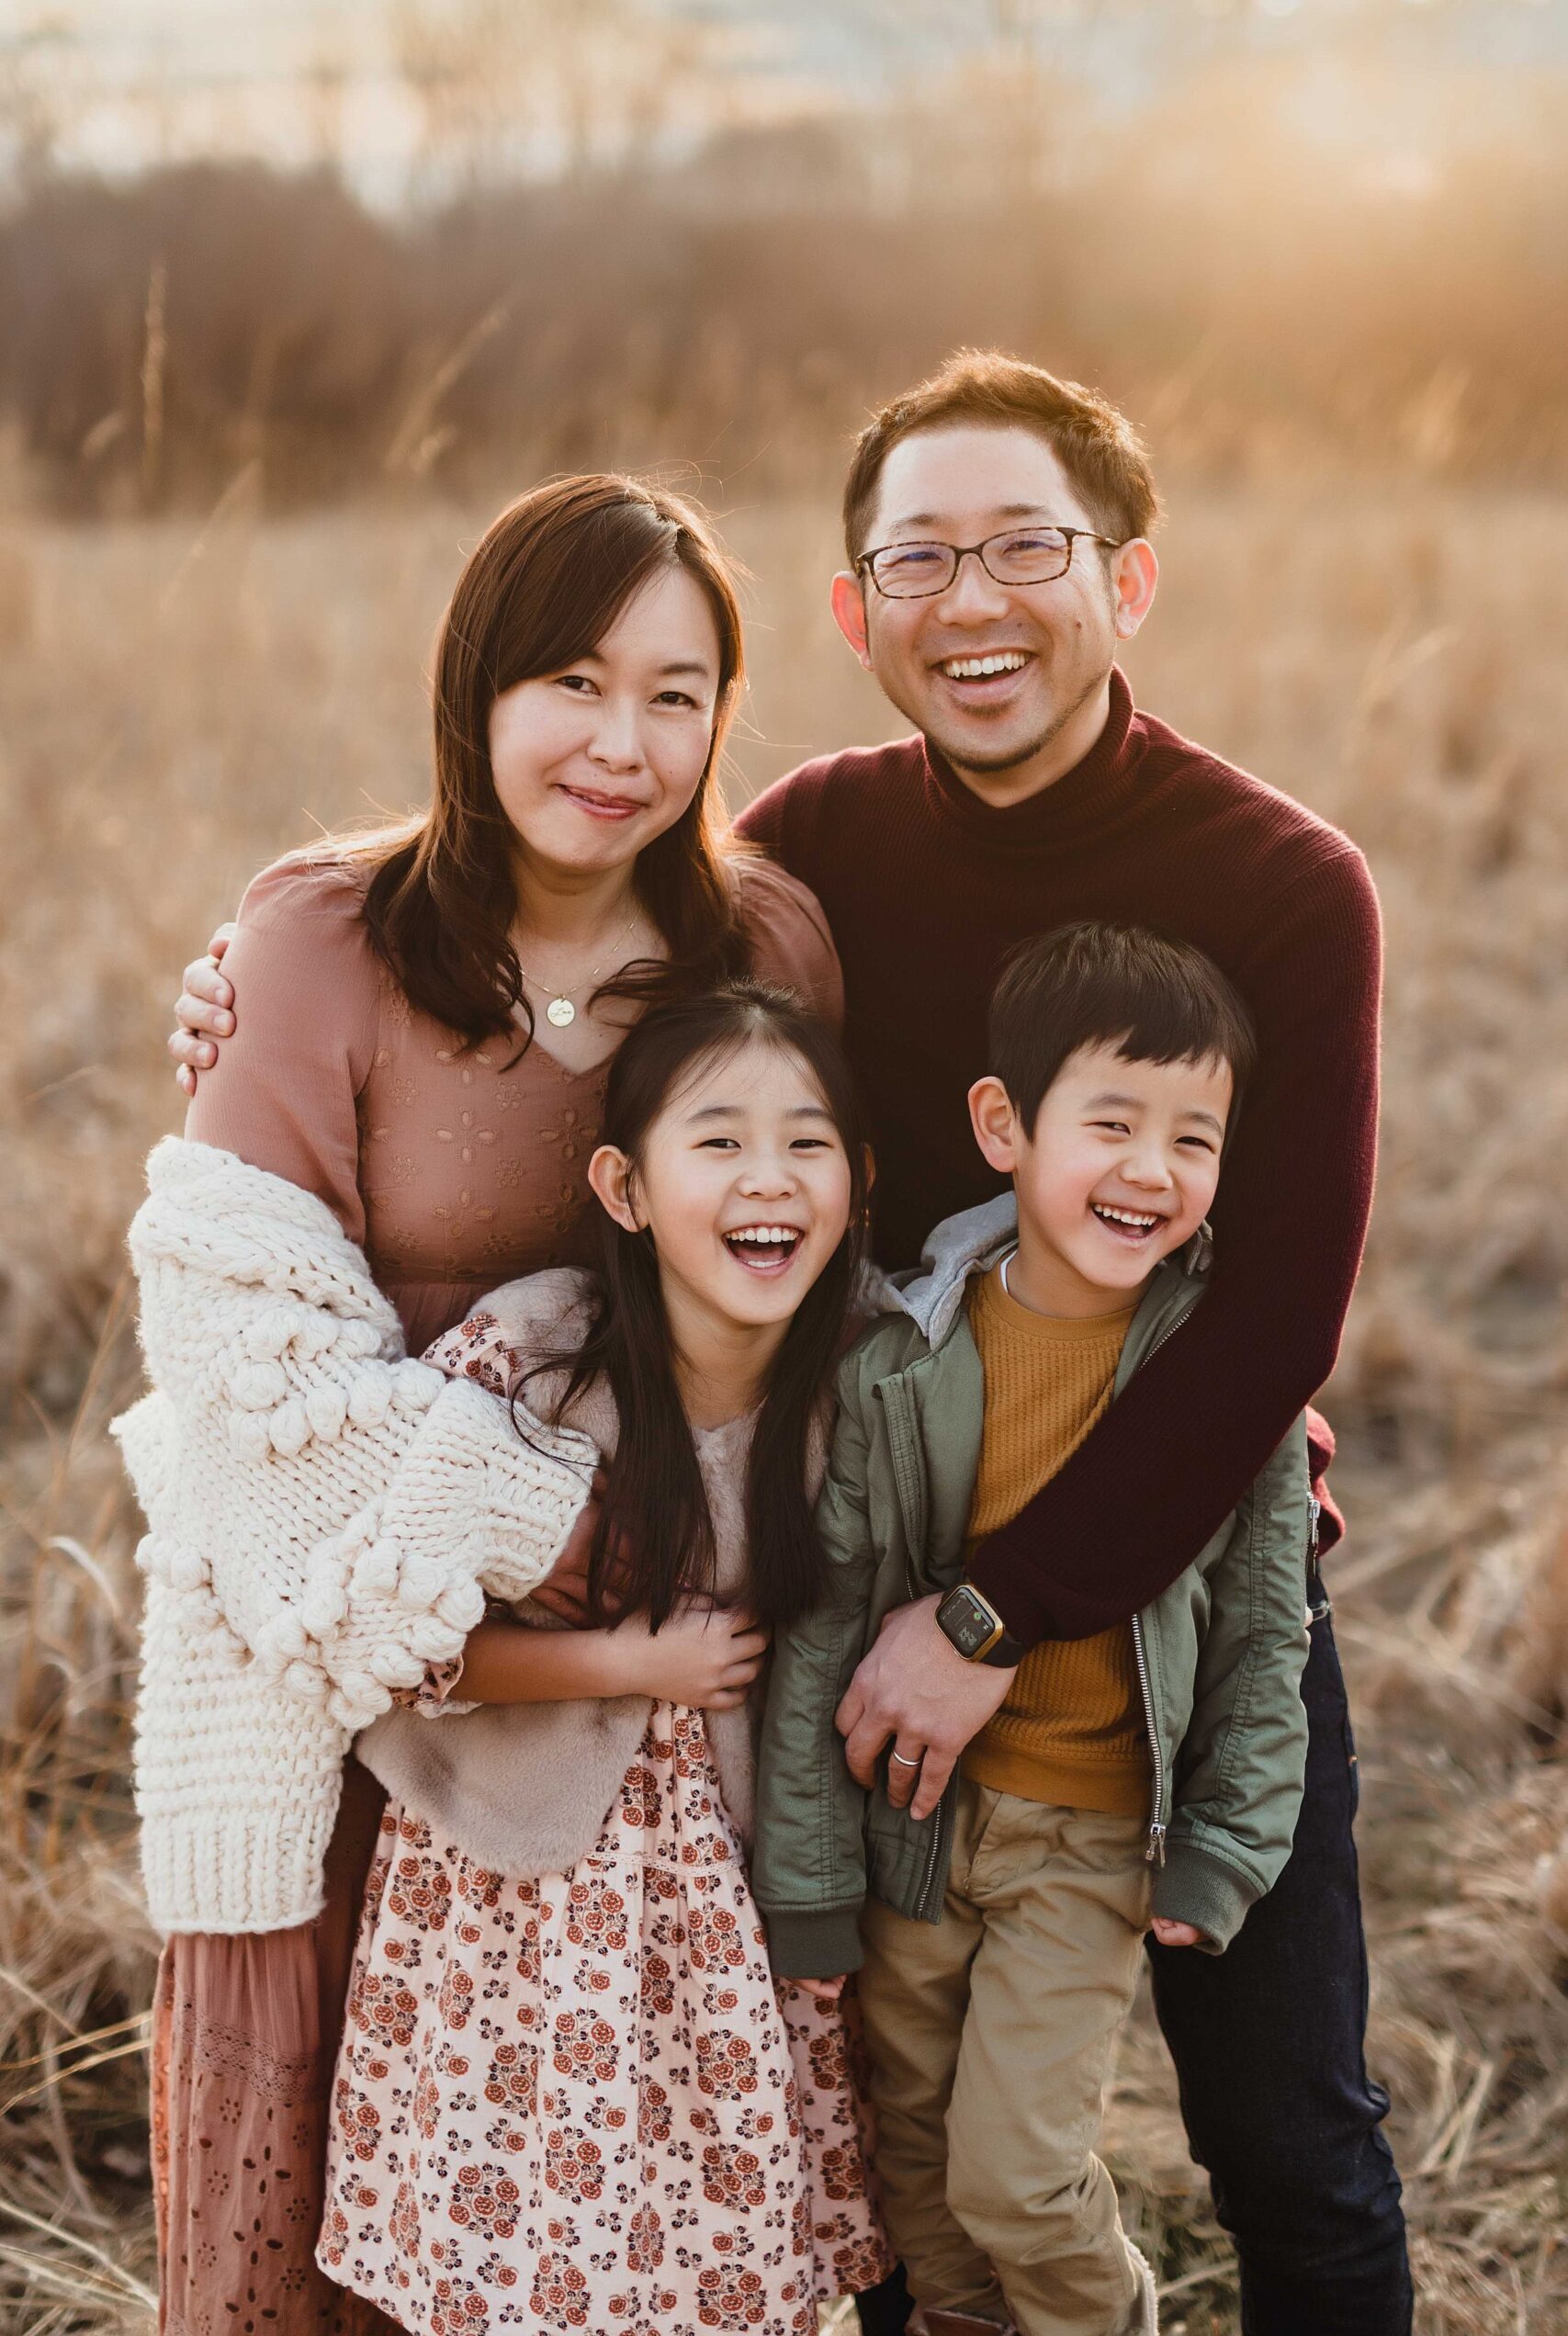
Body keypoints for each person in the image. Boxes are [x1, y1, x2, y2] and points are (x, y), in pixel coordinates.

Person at [174, 351, 1409, 2333]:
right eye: (916, 556)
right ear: (851, 613)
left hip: (1167, 1581)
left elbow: (1271, 1320)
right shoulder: (813, 860)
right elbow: (596, 997)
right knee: (895, 2137)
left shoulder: (1279, 884)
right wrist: (255, 963)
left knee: (1287, 2134)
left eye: (1027, 547)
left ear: (1129, 579)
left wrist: (1002, 1609)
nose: (972, 600)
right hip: (879, 1570)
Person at [124, 472, 852, 2336]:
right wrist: (557, 1536)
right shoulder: (320, 943)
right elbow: (245, 1374)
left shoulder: (761, 944)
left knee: (622, 2218)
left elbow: (835, 1272)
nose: (624, 744)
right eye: (573, 682)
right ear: (477, 687)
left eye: (678, 693)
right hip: (364, 1662)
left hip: (661, 1726)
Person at [752, 923, 1312, 2336]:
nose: (1151, 1169)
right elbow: (833, 1622)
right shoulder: (907, 1357)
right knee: (921, 2188)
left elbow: (1262, 1635)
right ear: (1003, 1126)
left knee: (1017, 2180)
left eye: (1196, 1139)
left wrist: (1229, 1849)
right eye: (1111, 1121)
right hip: (914, 1829)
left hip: (1086, 1844)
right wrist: (810, 1880)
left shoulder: (1216, 1381)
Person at [314, 981, 892, 2333]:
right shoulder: (536, 1364)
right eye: (720, 1142)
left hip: (749, 1899)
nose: (770, 1180)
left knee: (721, 2247)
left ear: (861, 1182)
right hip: (532, 1908)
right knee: (533, 2254)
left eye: (808, 1144)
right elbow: (381, 1644)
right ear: (625, 1189)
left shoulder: (872, 1367)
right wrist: (632, 1663)